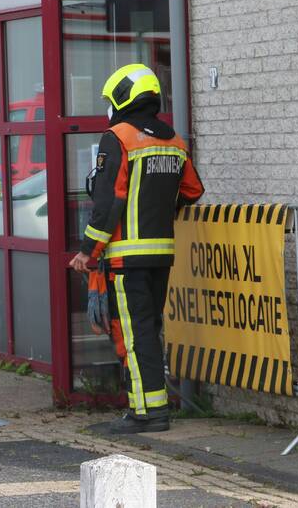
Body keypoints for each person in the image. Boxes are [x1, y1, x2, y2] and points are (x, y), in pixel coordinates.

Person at [69, 63, 204, 434]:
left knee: (135, 333)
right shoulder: (174, 140)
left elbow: (109, 202)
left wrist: (87, 251)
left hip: (126, 257)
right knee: (149, 329)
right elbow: (192, 190)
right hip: (161, 254)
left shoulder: (120, 137)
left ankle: (147, 413)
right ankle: (149, 405)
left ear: (122, 98)